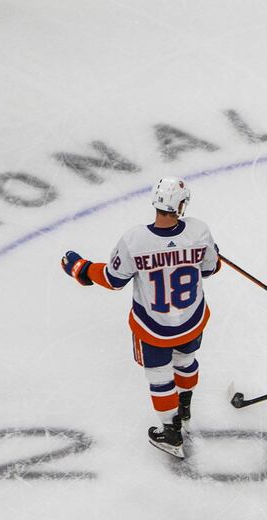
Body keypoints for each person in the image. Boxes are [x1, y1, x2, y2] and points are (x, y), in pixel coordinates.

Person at [60, 176, 220, 459]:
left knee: (160, 378)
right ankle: (184, 407)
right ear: (181, 205)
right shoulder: (199, 231)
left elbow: (113, 279)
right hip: (192, 320)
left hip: (153, 328)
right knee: (186, 361)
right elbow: (210, 269)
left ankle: (172, 433)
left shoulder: (135, 239)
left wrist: (82, 268)